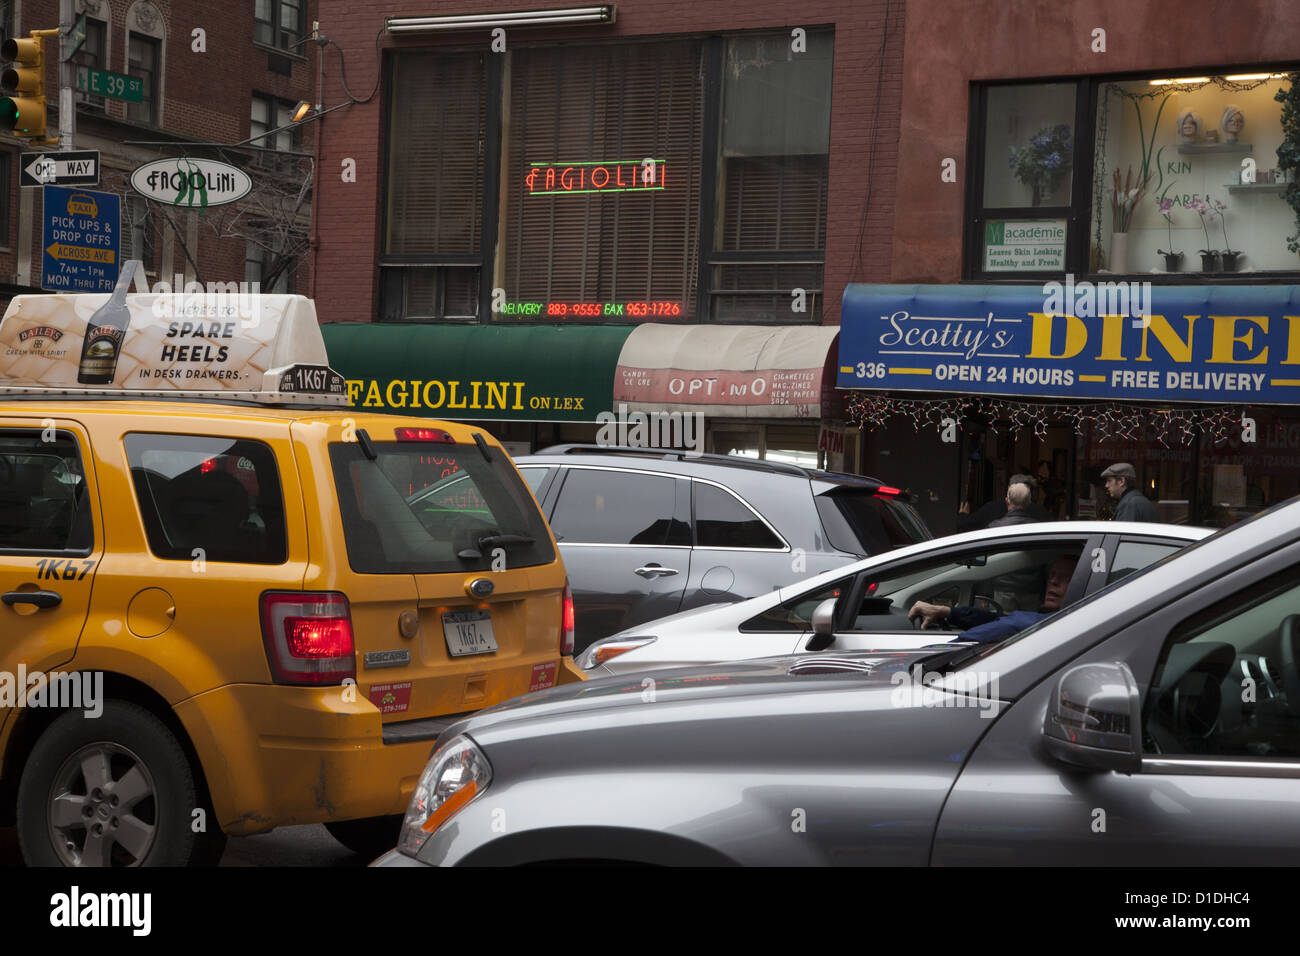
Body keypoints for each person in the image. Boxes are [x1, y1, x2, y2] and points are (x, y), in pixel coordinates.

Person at [908, 554, 1076, 643]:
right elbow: (998, 620)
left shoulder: (1050, 622)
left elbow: (1013, 624)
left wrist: (946, 648)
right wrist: (945, 611)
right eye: (1052, 575)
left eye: (1066, 578)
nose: (1053, 582)